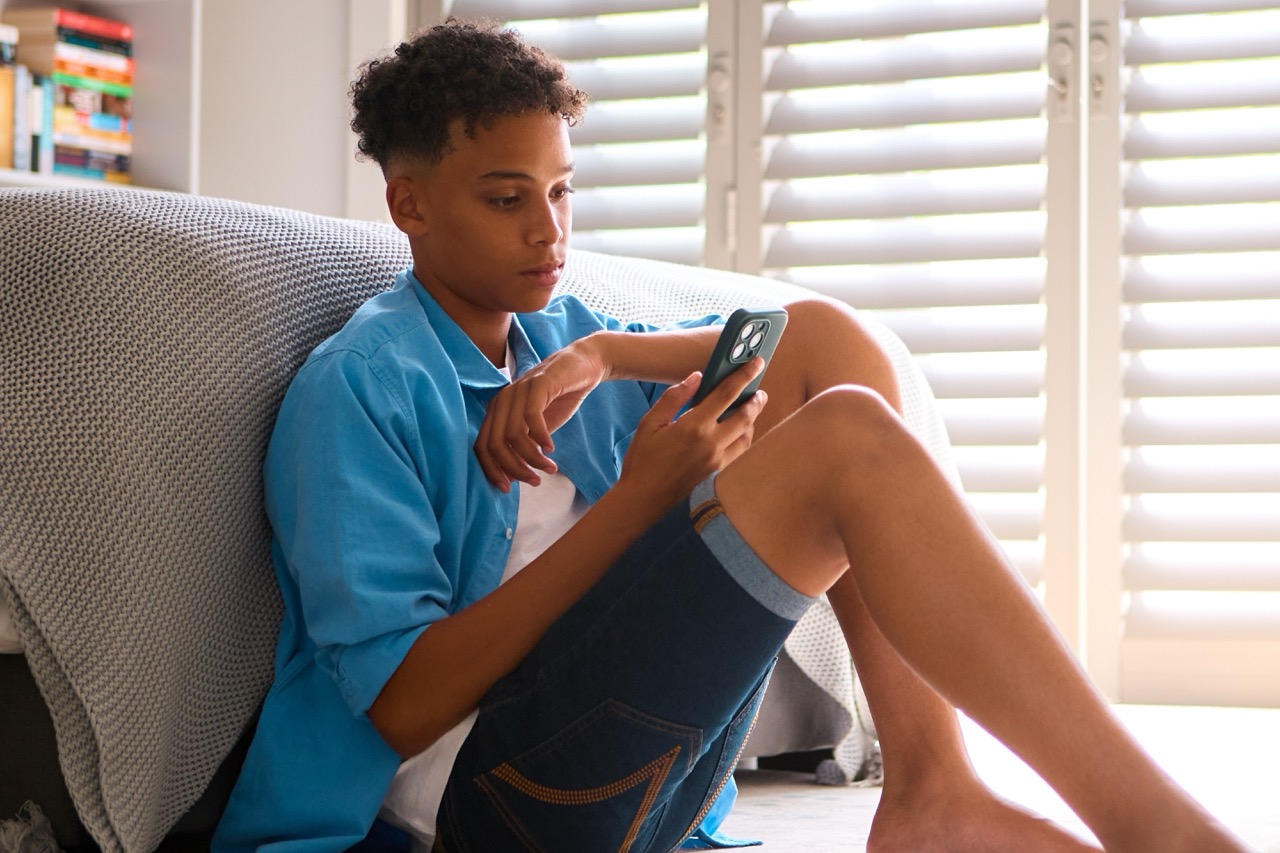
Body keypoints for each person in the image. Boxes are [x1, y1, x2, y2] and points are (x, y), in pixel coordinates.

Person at [213, 19, 1252, 853]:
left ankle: (934, 786)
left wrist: (609, 354)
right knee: (840, 440)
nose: (548, 230)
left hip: (633, 776)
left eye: (562, 191)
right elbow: (398, 708)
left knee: (839, 362)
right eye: (504, 198)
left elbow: (814, 340)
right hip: (487, 803)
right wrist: (631, 506)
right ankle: (1159, 836)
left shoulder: (564, 335)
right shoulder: (359, 385)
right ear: (409, 204)